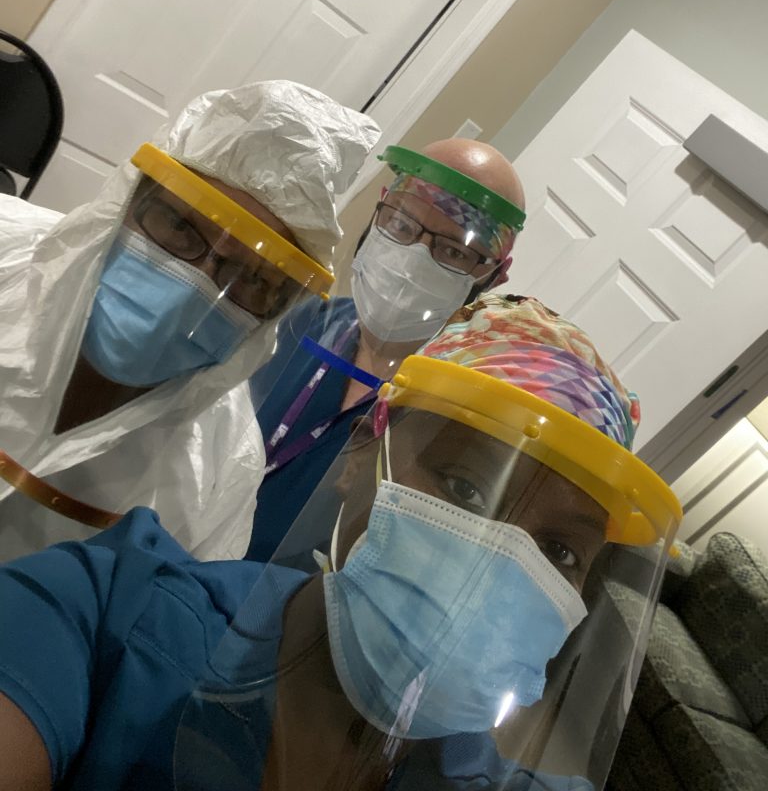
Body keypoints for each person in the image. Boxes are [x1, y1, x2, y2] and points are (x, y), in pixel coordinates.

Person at [0, 294, 680, 791]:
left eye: (561, 552)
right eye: (466, 487)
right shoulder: (105, 616)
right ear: (361, 451)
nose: (493, 560)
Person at [0, 79, 380, 562]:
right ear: (128, 201)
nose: (195, 286)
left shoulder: (220, 469)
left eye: (251, 276)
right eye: (181, 226)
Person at [246, 139, 527, 560]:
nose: (413, 257)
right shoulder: (302, 323)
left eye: (453, 250)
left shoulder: (445, 416)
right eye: (401, 224)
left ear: (492, 278)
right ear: (379, 213)